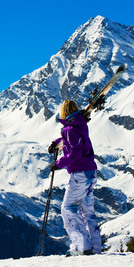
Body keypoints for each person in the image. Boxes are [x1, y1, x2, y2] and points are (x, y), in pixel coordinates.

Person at [48, 99, 101, 256]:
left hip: (80, 175)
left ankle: (81, 247)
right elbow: (75, 140)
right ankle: (95, 248)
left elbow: (74, 153)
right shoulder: (80, 124)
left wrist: (58, 164)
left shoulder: (70, 129)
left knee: (68, 208)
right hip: (91, 172)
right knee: (88, 211)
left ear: (64, 112)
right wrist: (57, 142)